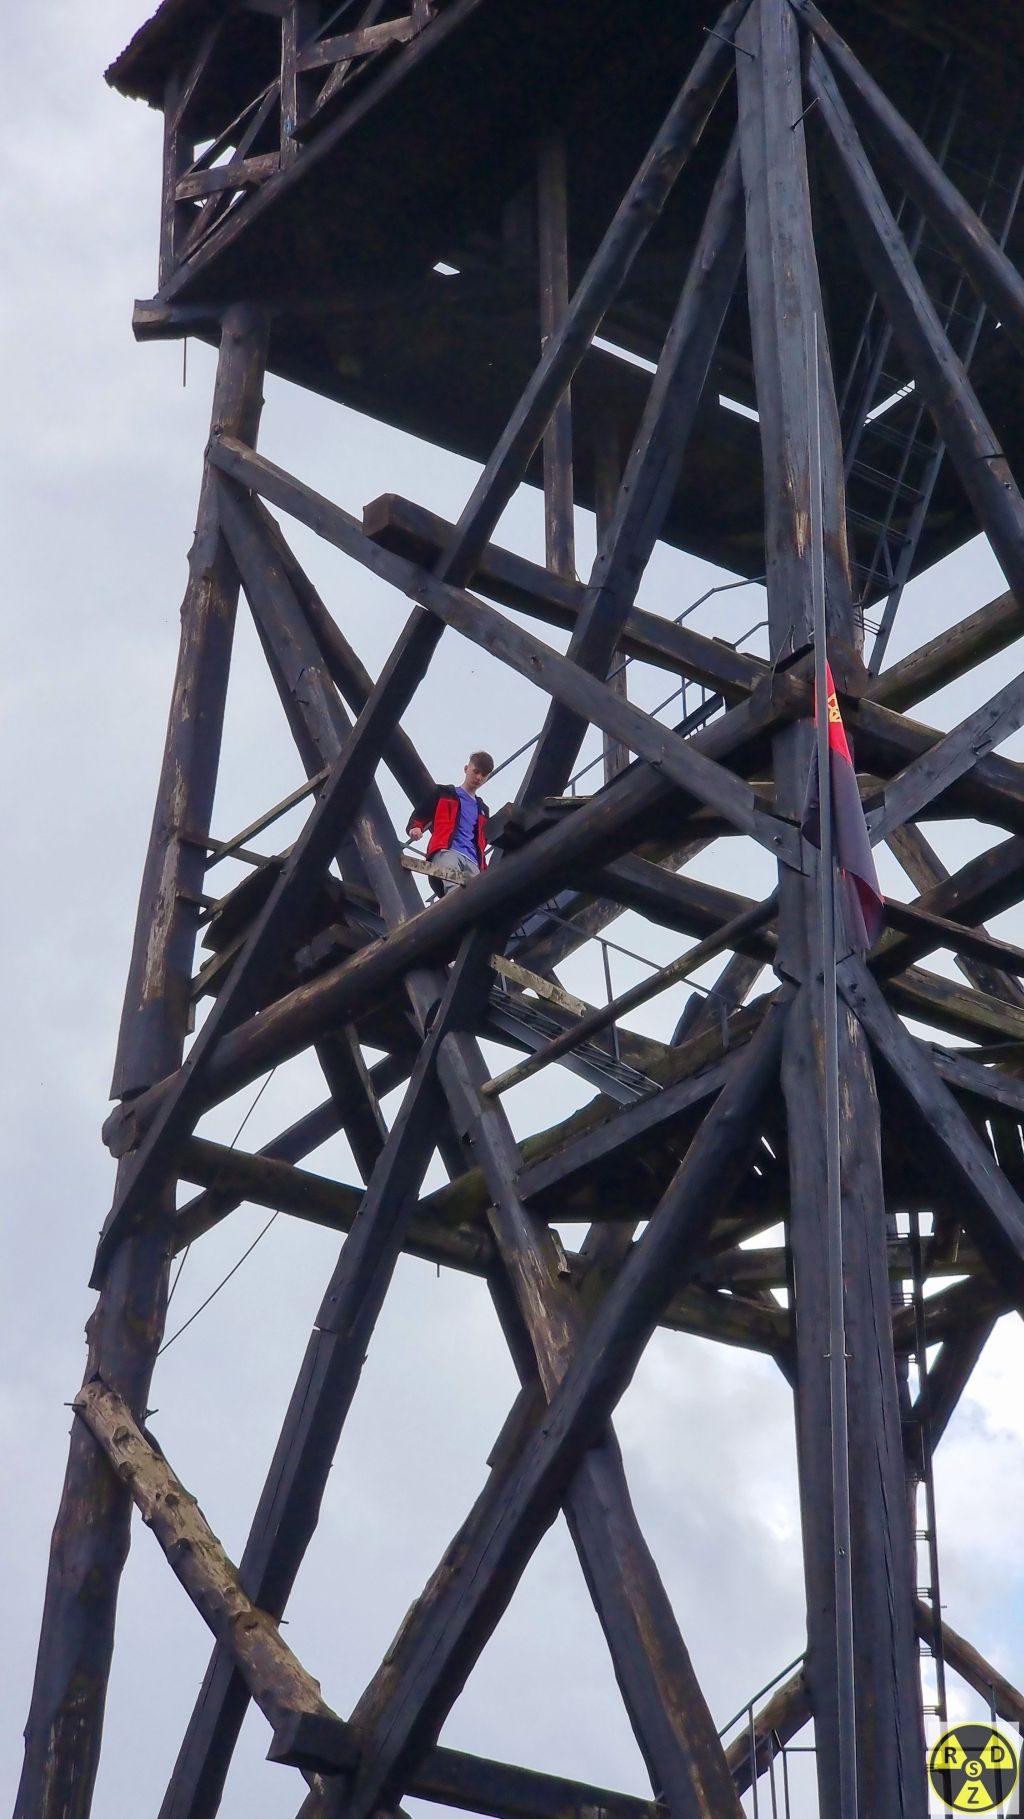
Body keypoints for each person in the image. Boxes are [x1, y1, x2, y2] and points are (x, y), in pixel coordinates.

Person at [407, 752, 494, 895]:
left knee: (479, 897)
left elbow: (484, 839)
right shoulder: (444, 793)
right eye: (476, 771)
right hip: (447, 851)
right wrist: (415, 827)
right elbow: (422, 812)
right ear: (466, 769)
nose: (479, 777)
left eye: (483, 775)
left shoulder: (483, 809)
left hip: (473, 860)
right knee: (455, 891)